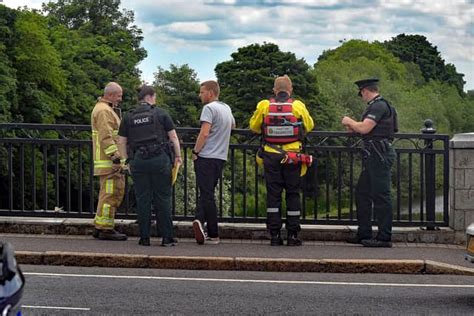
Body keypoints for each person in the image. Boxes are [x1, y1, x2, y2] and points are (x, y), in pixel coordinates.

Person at [249, 75, 314, 246]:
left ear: (274, 90)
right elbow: (309, 125)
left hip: (271, 157)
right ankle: (293, 235)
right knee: (293, 194)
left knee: (274, 195)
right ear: (290, 89)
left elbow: (254, 127)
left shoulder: (264, 105)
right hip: (293, 158)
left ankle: (275, 235)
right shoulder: (297, 105)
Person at [117, 85, 182, 247]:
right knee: (163, 197)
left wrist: (126, 161)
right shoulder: (161, 114)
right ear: (151, 97)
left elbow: (121, 141)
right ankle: (167, 237)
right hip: (160, 159)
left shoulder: (128, 117)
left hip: (138, 160)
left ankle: (144, 237)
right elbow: (173, 138)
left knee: (143, 198)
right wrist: (178, 157)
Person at [341, 78, 398, 248]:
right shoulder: (376, 106)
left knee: (381, 196)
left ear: (365, 91)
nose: (361, 97)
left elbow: (365, 128)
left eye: (361, 94)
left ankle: (384, 237)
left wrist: (349, 121)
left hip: (378, 155)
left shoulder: (378, 106)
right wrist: (355, 127)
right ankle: (364, 233)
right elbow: (367, 129)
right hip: (374, 154)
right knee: (362, 194)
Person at [192, 80, 235, 245]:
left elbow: (204, 133)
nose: (200, 95)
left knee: (207, 194)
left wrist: (195, 152)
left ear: (210, 92)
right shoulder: (226, 108)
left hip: (206, 156)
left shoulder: (208, 108)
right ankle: (198, 220)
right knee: (207, 191)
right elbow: (232, 125)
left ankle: (213, 233)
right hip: (220, 157)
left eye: (202, 92)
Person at [91, 82, 127, 241]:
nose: (120, 99)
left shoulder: (103, 109)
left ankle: (100, 226)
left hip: (106, 162)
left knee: (106, 194)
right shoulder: (104, 111)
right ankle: (105, 228)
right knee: (111, 195)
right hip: (109, 162)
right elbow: (106, 136)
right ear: (111, 95)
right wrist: (116, 157)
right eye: (119, 96)